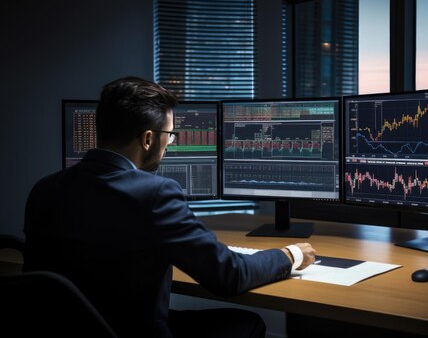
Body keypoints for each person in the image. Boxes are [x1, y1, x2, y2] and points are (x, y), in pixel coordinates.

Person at [23, 76, 316, 337]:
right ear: (148, 139)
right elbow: (229, 275)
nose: (169, 144)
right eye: (170, 136)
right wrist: (288, 255)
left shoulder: (44, 188)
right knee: (248, 323)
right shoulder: (154, 194)